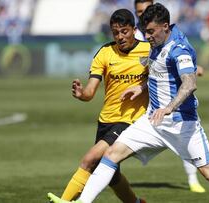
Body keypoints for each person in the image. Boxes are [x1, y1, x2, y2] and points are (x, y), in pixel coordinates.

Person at [48, 3, 209, 203]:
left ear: (165, 26)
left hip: (182, 125)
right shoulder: (157, 42)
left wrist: (168, 108)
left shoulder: (179, 49)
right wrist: (141, 87)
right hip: (152, 122)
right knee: (111, 155)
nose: (148, 36)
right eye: (146, 31)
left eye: (151, 31)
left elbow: (189, 85)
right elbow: (159, 74)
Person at [51, 9, 149, 203]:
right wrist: (82, 94)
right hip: (106, 121)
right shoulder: (104, 53)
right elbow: (90, 92)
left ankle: (64, 201)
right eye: (115, 32)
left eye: (124, 31)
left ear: (134, 29)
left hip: (131, 122)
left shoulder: (148, 51)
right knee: (111, 175)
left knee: (90, 159)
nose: (120, 37)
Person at [133, 0, 206, 193]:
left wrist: (189, 69)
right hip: (144, 101)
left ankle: (192, 179)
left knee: (185, 143)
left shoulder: (162, 36)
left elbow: (174, 62)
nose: (142, 15)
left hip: (168, 106)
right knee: (115, 150)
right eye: (139, 11)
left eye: (145, 10)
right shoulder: (136, 35)